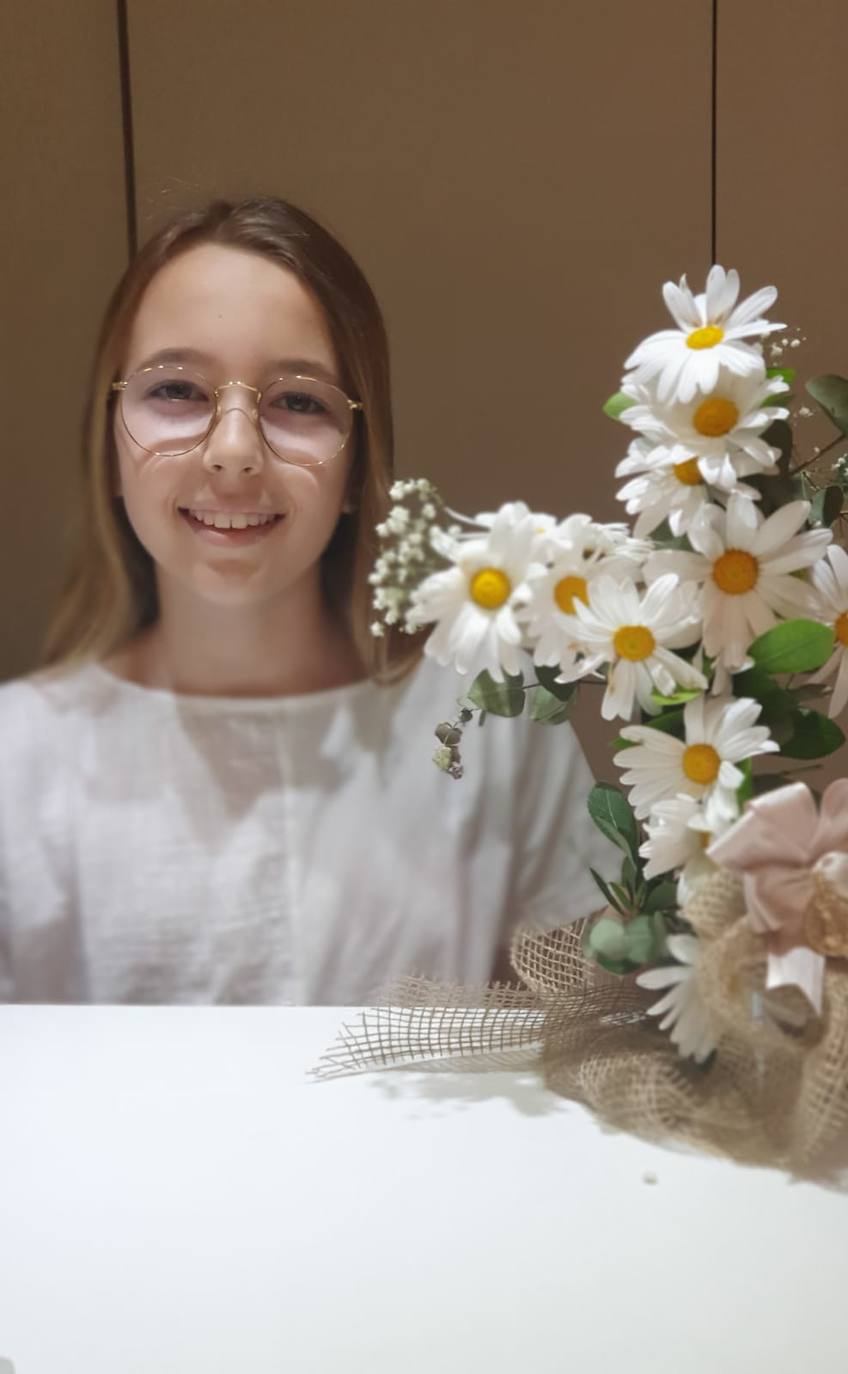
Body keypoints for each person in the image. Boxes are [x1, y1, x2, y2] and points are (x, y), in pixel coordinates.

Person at [0, 194, 612, 1005]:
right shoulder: (19, 761)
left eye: (297, 402)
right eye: (177, 390)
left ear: (359, 466)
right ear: (110, 443)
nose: (232, 454)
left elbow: (599, 1032)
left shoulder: (493, 726)